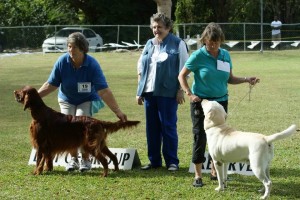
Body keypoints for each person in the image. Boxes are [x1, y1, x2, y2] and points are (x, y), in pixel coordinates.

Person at [178, 22, 259, 187]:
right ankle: (198, 175)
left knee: (221, 137)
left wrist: (246, 79)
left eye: (217, 41)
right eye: (210, 41)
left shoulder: (225, 55)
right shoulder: (198, 56)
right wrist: (190, 94)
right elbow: (181, 76)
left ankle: (216, 172)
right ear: (204, 40)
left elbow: (230, 78)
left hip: (221, 102)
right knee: (200, 137)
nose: (213, 45)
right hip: (202, 103)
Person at [38, 32, 127, 172]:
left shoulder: (92, 64)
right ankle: (73, 160)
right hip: (66, 99)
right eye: (68, 46)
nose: (70, 50)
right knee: (66, 128)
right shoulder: (62, 62)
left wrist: (118, 111)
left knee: (83, 126)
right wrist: (34, 98)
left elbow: (103, 91)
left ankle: (86, 160)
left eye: (74, 47)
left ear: (82, 48)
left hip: (87, 99)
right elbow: (51, 85)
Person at [136, 13, 189, 171]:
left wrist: (180, 90)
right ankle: (154, 161)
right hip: (149, 93)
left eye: (159, 27)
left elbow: (184, 68)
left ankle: (172, 161)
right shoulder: (149, 44)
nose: (156, 30)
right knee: (151, 128)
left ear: (168, 28)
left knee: (168, 127)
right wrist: (140, 90)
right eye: (153, 27)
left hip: (168, 93)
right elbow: (141, 67)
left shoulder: (178, 44)